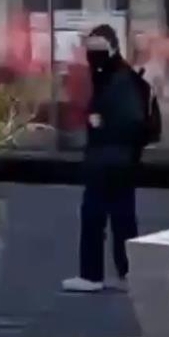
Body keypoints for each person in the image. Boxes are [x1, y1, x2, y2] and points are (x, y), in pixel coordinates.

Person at [62, 25, 146, 293]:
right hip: (118, 159)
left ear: (112, 48)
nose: (93, 55)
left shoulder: (118, 78)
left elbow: (130, 120)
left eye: (99, 49)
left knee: (95, 216)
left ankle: (92, 275)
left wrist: (100, 122)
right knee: (121, 218)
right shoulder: (112, 75)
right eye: (90, 49)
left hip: (109, 159)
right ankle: (126, 273)